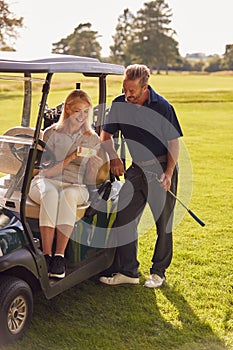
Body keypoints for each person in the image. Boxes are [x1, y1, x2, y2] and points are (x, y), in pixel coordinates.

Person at [99, 64, 183, 288]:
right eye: (124, 89)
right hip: (136, 169)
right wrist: (115, 158)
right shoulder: (119, 104)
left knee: (163, 223)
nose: (127, 94)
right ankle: (129, 272)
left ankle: (158, 273)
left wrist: (168, 173)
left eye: (132, 91)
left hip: (162, 168)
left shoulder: (163, 107)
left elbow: (174, 143)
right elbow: (105, 135)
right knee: (124, 217)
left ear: (145, 87)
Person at [29, 89, 103, 278]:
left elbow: (88, 180)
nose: (82, 116)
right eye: (78, 111)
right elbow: (46, 172)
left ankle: (59, 257)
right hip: (46, 181)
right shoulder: (51, 133)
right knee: (51, 193)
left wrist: (94, 168)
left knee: (68, 195)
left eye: (86, 111)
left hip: (76, 186)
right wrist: (72, 157)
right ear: (68, 109)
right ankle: (46, 255)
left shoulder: (92, 138)